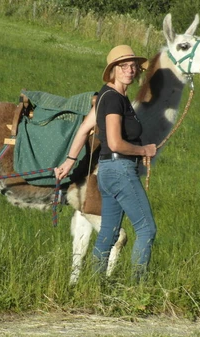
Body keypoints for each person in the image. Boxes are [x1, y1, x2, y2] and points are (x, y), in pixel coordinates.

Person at [55, 45, 157, 282]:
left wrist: (68, 162)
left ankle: (93, 286)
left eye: (133, 66)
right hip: (120, 171)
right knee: (146, 230)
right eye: (123, 66)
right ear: (113, 70)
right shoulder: (113, 100)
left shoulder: (107, 96)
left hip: (107, 174)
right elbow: (115, 142)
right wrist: (143, 150)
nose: (130, 70)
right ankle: (137, 289)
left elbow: (83, 131)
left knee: (108, 234)